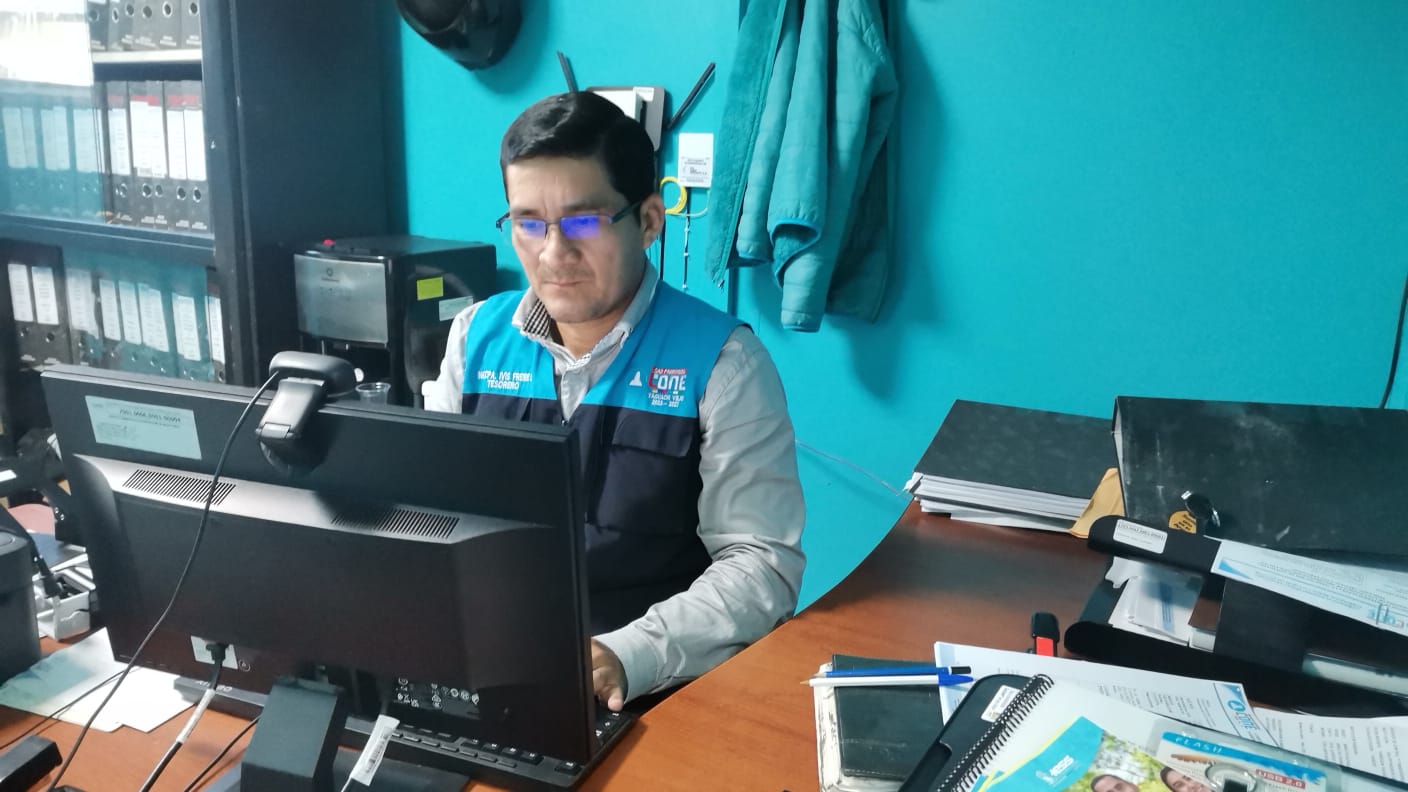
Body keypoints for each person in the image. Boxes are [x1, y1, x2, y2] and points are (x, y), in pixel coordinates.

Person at [426, 91, 806, 711]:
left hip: (654, 691)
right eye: (528, 223)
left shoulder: (724, 364)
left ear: (649, 221)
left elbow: (761, 564)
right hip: (491, 668)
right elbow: (429, 514)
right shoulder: (475, 339)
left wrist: (627, 654)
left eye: (583, 222)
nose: (553, 253)